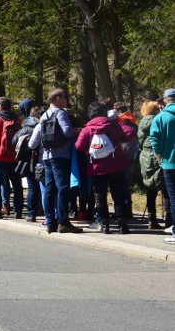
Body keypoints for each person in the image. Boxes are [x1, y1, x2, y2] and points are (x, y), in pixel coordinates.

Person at [75, 102, 136, 234]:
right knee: (118, 195)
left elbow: (79, 146)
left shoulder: (87, 128)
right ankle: (122, 225)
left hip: (97, 167)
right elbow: (129, 134)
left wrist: (89, 149)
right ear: (104, 112)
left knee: (100, 196)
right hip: (116, 164)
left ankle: (104, 225)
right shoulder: (113, 125)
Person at [28, 88, 82, 234]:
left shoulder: (44, 115)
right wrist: (77, 130)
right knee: (63, 188)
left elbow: (35, 141)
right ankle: (63, 222)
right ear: (57, 99)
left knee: (50, 190)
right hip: (61, 155)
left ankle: (50, 222)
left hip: (46, 156)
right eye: (64, 97)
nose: (66, 100)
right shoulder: (60, 113)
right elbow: (66, 131)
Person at [138, 100, 170, 230]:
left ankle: (152, 219)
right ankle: (169, 220)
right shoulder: (160, 120)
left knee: (150, 188)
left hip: (146, 157)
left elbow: (139, 140)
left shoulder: (142, 122)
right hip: (160, 155)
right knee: (166, 189)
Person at [150, 88, 175, 244]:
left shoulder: (160, 117)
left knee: (174, 199)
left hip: (169, 163)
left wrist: (160, 160)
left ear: (166, 100)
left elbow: (155, 142)